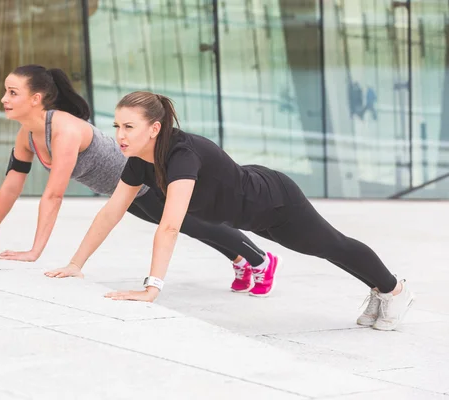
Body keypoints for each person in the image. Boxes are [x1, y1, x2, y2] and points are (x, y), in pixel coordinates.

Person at [48, 90, 415, 332]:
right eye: (117, 126)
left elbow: (171, 226)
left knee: (329, 245)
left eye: (129, 126)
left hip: (274, 201)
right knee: (322, 248)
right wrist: (76, 263)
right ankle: (380, 288)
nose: (120, 135)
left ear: (155, 128)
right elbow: (110, 212)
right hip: (250, 214)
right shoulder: (140, 160)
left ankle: (393, 289)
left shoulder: (181, 154)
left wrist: (151, 288)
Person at [0, 64, 281, 296]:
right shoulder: (27, 135)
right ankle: (243, 259)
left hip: (146, 180)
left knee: (196, 224)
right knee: (191, 226)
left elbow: (54, 195)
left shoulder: (64, 129)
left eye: (12, 92)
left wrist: (34, 251)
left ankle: (261, 260)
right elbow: (12, 184)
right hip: (126, 192)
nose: (4, 98)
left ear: (36, 98)